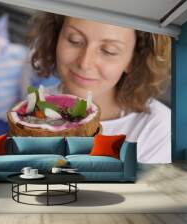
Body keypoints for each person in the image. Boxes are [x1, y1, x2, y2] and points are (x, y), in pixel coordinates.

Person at [27, 13, 172, 163]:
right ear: (56, 36)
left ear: (133, 60)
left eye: (108, 50)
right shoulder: (35, 104)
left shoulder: (159, 128)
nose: (85, 63)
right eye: (74, 40)